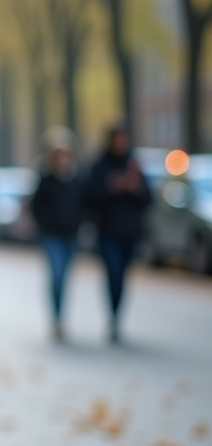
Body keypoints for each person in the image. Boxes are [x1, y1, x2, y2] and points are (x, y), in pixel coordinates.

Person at [84, 123, 152, 343]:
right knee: (112, 274)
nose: (121, 143)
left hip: (130, 233)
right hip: (108, 232)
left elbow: (148, 200)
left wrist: (134, 188)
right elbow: (90, 199)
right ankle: (112, 317)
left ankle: (117, 317)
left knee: (122, 276)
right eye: (117, 139)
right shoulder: (100, 166)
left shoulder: (134, 166)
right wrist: (110, 188)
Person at [29, 127, 85, 341]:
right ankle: (56, 318)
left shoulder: (76, 178)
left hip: (71, 234)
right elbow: (36, 207)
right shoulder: (46, 178)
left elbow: (84, 203)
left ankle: (61, 317)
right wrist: (47, 222)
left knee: (65, 278)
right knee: (57, 273)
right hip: (51, 235)